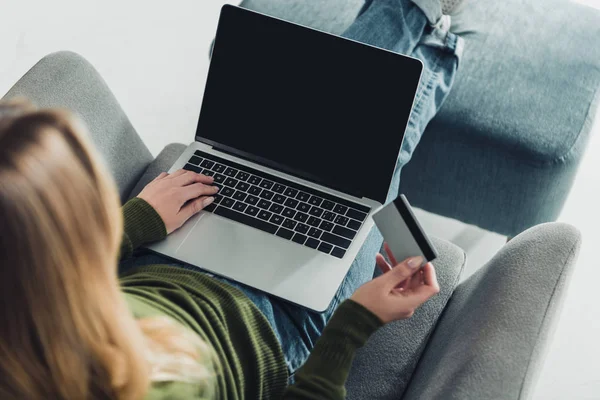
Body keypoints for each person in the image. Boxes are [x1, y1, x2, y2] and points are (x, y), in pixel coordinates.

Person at [0, 0, 463, 398]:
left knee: (304, 144)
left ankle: (426, 23)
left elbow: (66, 263)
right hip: (276, 319)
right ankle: (431, 31)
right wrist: (354, 326)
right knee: (366, 167)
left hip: (160, 258)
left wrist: (138, 221)